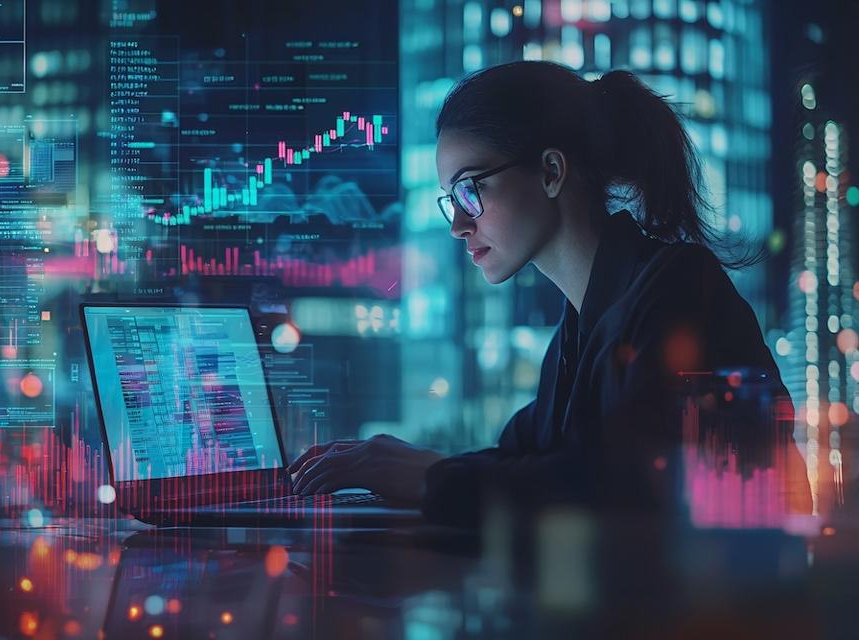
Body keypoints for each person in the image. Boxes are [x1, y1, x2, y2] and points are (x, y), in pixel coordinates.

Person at [288, 61, 810, 526]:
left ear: (551, 172)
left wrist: (432, 477)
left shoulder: (677, 295)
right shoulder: (581, 328)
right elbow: (527, 460)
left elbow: (623, 495)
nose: (460, 225)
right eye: (452, 200)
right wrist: (404, 465)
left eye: (471, 188)